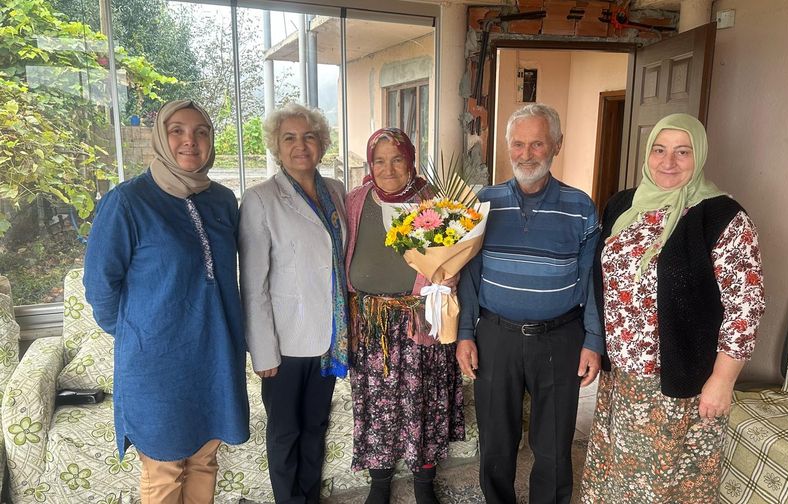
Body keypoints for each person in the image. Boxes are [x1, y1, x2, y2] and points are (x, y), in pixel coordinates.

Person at [580, 113, 766, 503]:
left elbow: (745, 307)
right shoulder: (622, 205)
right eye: (660, 151)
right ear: (647, 154)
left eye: (682, 152)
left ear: (698, 157)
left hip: (678, 382)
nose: (669, 162)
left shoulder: (721, 217)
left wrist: (723, 380)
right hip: (623, 378)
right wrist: (595, 342)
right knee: (617, 475)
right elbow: (604, 282)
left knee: (664, 485)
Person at [83, 100, 250, 503]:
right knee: (164, 468)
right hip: (157, 363)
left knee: (205, 459)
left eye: (201, 131)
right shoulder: (128, 202)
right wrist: (140, 332)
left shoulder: (223, 201)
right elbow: (100, 286)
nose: (189, 141)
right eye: (177, 130)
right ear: (160, 136)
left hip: (214, 355)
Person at [456, 103, 603, 504]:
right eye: (518, 144)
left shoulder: (580, 206)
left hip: (560, 337)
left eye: (537, 143)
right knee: (496, 441)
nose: (526, 154)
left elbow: (593, 279)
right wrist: (466, 333)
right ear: (506, 147)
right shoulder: (482, 204)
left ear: (557, 144)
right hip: (495, 336)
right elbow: (468, 274)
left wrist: (593, 339)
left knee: (554, 445)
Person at [345, 128, 464, 504]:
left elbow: (454, 262)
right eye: (379, 160)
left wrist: (435, 289)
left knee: (423, 403)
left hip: (420, 322)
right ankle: (379, 484)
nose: (388, 168)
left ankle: (423, 485)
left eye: (397, 159)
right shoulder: (355, 201)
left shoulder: (435, 202)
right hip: (372, 326)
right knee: (374, 403)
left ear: (411, 160)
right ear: (370, 164)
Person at [238, 103, 348, 504]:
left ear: (321, 143)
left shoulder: (335, 190)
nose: (300, 145)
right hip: (284, 343)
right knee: (285, 430)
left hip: (330, 335)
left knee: (316, 425)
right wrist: (263, 350)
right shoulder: (260, 199)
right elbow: (252, 284)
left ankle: (309, 497)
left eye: (309, 136)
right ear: (276, 147)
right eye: (290, 138)